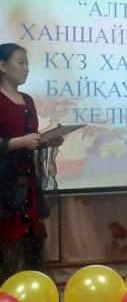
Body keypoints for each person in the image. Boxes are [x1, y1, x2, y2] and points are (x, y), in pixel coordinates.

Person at [0, 43, 61, 282]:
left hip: (27, 185)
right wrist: (21, 141)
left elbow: (29, 141)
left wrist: (47, 141)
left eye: (27, 63)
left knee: (30, 240)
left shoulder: (27, 100)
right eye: (20, 62)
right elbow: (19, 141)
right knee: (7, 241)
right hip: (4, 188)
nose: (26, 68)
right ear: (2, 66)